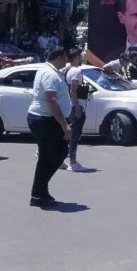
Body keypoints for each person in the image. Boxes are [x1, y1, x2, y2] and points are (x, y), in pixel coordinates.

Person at [27, 48, 72, 207]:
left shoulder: (51, 72)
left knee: (58, 153)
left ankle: (41, 190)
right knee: (48, 157)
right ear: (59, 57)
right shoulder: (49, 74)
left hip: (48, 120)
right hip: (44, 120)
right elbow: (51, 101)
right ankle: (37, 194)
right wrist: (64, 125)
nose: (67, 60)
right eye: (65, 57)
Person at [64, 48, 91, 171]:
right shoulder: (76, 71)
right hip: (76, 106)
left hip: (68, 105)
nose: (81, 59)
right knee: (75, 135)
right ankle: (73, 162)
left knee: (69, 134)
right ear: (76, 57)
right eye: (80, 56)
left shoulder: (67, 70)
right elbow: (73, 90)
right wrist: (77, 108)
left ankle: (66, 159)